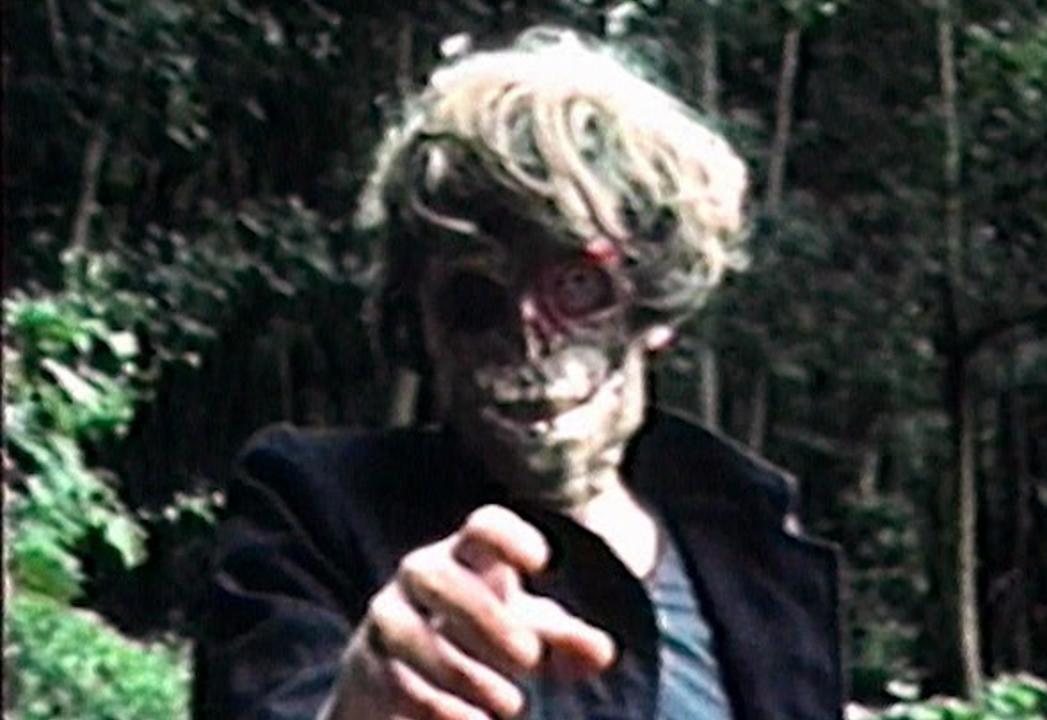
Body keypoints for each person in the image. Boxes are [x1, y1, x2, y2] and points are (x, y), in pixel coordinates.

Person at [197, 27, 843, 720]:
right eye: (476, 300)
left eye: (577, 287)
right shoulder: (314, 505)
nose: (529, 338)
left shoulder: (753, 540)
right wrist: (360, 704)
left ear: (653, 306)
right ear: (423, 321)